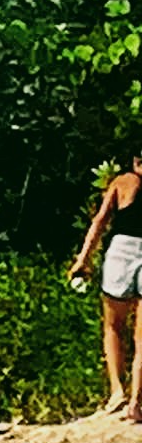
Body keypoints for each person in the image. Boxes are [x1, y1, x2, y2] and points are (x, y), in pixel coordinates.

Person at [72, 155, 142, 420]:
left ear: (136, 160)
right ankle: (136, 402)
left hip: (122, 252)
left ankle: (117, 392)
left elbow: (100, 221)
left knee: (113, 326)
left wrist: (82, 260)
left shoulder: (123, 182)